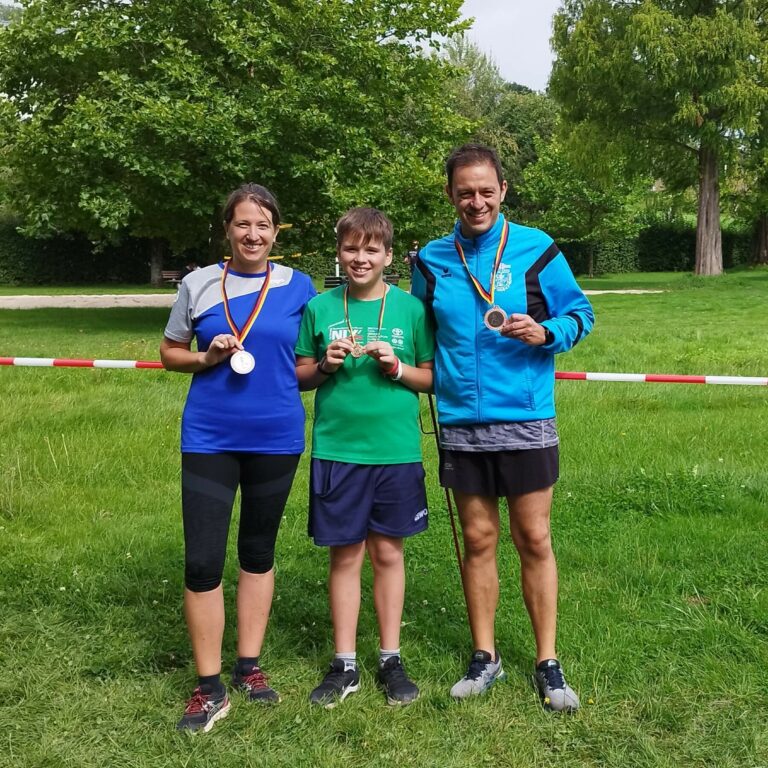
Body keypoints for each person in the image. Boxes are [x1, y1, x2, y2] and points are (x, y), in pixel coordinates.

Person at [411, 144, 594, 712]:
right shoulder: (432, 261)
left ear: (503, 190)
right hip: (461, 419)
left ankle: (547, 662)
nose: (476, 201)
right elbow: (420, 336)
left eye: (486, 190)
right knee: (479, 539)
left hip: (526, 416)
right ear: (450, 195)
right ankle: (485, 656)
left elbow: (580, 314)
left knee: (533, 538)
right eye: (465, 191)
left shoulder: (537, 248)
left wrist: (546, 333)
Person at [160, 183, 316, 733]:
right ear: (227, 228)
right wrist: (207, 356)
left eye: (263, 225)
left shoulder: (301, 287)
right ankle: (208, 687)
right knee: (202, 560)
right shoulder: (198, 284)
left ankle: (249, 666)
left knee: (257, 551)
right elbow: (170, 353)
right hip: (209, 436)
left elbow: (307, 365)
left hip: (276, 435)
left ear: (276, 232)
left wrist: (335, 365)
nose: (253, 234)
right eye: (243, 224)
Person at [295, 207, 434, 708]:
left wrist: (397, 367)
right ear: (339, 252)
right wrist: (326, 366)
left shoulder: (411, 310)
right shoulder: (320, 308)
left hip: (395, 452)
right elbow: (301, 374)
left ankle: (390, 658)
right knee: (345, 555)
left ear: (389, 256)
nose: (360, 258)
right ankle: (345, 663)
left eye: (371, 249)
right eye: (351, 248)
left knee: (389, 553)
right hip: (338, 450)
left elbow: (431, 377)